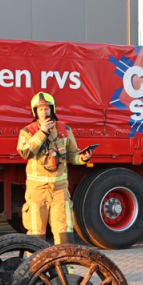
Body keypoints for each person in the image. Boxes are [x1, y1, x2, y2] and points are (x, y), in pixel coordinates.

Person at [16, 91, 94, 244]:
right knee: (36, 230)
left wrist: (83, 158)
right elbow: (25, 152)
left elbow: (73, 155)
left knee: (64, 229)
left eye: (46, 109)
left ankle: (66, 267)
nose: (44, 112)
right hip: (37, 190)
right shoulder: (28, 131)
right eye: (40, 109)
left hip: (59, 188)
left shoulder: (65, 130)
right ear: (35, 112)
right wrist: (42, 132)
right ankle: (35, 266)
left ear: (52, 109)